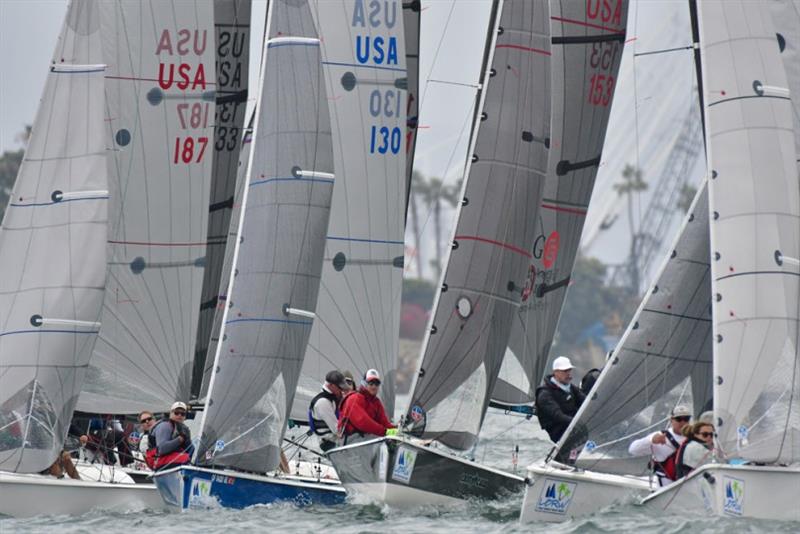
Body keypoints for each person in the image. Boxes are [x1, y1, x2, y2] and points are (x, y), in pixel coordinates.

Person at [627, 405, 692, 485]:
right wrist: (651, 440)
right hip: (666, 488)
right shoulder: (660, 435)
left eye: (686, 419)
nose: (683, 422)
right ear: (671, 420)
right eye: (679, 419)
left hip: (690, 485)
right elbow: (632, 449)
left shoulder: (696, 436)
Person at [535, 356, 586, 443]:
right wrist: (579, 424)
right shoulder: (544, 394)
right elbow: (558, 416)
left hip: (574, 428)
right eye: (565, 371)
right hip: (558, 433)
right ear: (556, 372)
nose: (569, 374)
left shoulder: (570, 387)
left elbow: (585, 401)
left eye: (569, 370)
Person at [338, 369, 396, 443]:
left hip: (366, 439)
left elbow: (384, 423)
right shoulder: (354, 399)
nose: (374, 386)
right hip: (351, 440)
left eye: (377, 384)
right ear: (364, 384)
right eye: (371, 383)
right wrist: (385, 432)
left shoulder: (376, 402)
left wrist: (398, 431)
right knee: (382, 444)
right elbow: (363, 422)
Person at [308, 370, 347, 452]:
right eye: (339, 388)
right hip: (329, 443)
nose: (342, 390)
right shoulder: (323, 403)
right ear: (331, 385)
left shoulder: (332, 397)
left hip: (335, 440)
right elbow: (337, 430)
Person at [146, 402, 192, 470]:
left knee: (195, 459)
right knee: (185, 458)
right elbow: (162, 449)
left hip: (170, 457)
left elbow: (190, 449)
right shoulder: (165, 426)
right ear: (171, 413)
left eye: (183, 414)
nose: (179, 415)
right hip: (157, 459)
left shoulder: (182, 428)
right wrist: (180, 439)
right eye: (176, 412)